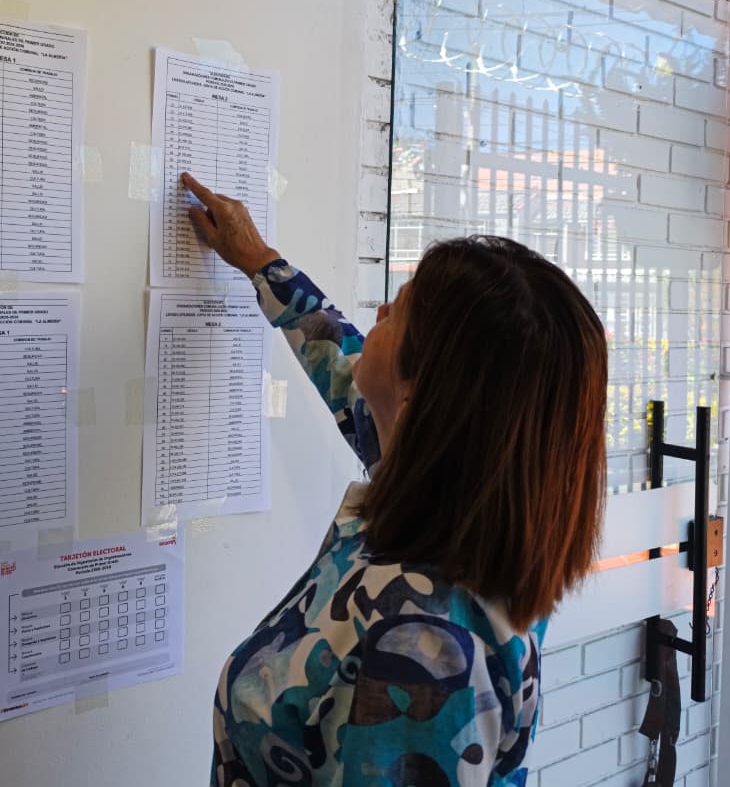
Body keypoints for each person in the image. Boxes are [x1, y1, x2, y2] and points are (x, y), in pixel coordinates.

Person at [179, 173, 609, 787]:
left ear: (421, 393)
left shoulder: (425, 648)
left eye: (398, 309)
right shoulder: (449, 497)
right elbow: (343, 362)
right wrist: (261, 261)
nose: (377, 313)